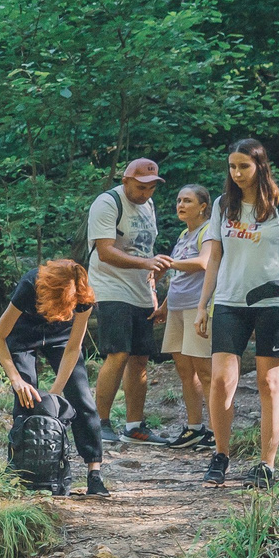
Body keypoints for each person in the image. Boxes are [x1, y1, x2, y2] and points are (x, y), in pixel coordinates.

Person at [197, 138, 279, 490]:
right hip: (230, 301)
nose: (237, 173)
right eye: (232, 166)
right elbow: (214, 258)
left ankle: (266, 464)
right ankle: (220, 455)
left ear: (260, 166)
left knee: (269, 383)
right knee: (221, 380)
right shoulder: (222, 205)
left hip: (274, 302)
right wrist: (203, 305)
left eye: (244, 166)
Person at [0, 257, 110, 496]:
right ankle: (20, 472)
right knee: (26, 399)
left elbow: (73, 348)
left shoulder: (83, 298)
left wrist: (55, 393)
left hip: (62, 340)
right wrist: (16, 380)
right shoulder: (29, 286)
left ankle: (94, 473)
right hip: (23, 337)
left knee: (82, 399)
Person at [86, 158, 171, 443]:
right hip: (111, 287)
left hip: (141, 290)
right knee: (118, 352)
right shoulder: (107, 203)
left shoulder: (149, 206)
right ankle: (99, 423)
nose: (146, 193)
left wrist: (153, 285)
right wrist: (146, 263)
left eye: (151, 187)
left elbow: (146, 248)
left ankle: (134, 426)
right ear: (125, 181)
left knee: (140, 358)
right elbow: (105, 251)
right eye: (141, 187)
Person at [157, 184, 221, 452]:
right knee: (185, 372)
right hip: (177, 308)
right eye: (178, 200)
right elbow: (178, 276)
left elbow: (204, 263)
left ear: (203, 206)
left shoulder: (208, 232)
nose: (180, 205)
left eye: (187, 201)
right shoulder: (184, 234)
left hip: (198, 308)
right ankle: (195, 428)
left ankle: (218, 432)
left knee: (205, 372)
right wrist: (164, 306)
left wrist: (165, 263)